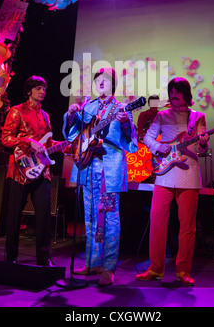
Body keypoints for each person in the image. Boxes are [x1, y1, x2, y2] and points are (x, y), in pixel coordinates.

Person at [62, 67, 138, 286]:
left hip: (108, 170)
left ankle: (109, 267)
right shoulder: (90, 107)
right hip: (87, 168)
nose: (101, 83)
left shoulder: (121, 108)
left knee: (110, 218)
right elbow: (74, 134)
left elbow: (130, 141)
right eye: (98, 80)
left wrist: (125, 122)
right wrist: (71, 114)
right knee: (90, 216)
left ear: (113, 84)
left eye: (106, 80)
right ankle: (92, 262)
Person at [136, 77, 210, 285]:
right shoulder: (162, 116)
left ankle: (183, 271)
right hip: (165, 174)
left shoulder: (198, 117)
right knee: (157, 220)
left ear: (186, 94)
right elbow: (149, 138)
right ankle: (156, 268)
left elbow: (202, 147)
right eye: (171, 92)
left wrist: (203, 144)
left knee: (187, 226)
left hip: (189, 174)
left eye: (177, 92)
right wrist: (158, 148)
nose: (173, 95)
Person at [2, 75, 68, 266]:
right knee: (14, 216)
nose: (42, 92)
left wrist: (64, 145)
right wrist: (28, 141)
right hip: (19, 171)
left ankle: (43, 260)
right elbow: (5, 138)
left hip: (42, 171)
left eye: (44, 89)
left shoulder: (45, 115)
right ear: (29, 91)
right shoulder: (17, 111)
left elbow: (47, 143)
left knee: (44, 216)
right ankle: (10, 260)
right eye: (39, 88)